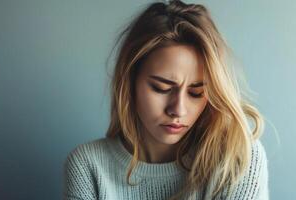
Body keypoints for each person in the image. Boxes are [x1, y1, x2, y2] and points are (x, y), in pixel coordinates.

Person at [63, 0, 269, 199]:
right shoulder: (88, 165)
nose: (178, 110)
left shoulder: (237, 158)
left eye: (196, 93)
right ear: (130, 82)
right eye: (161, 88)